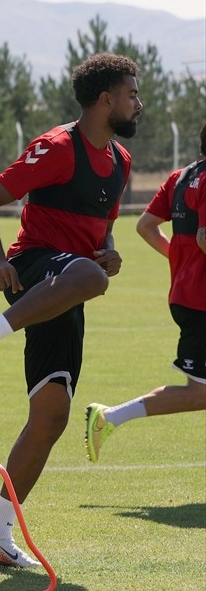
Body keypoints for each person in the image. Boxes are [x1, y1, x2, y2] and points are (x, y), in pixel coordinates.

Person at [0, 53, 142, 567]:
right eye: (131, 94)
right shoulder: (57, 146)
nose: (138, 104)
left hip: (68, 284)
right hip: (32, 267)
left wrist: (109, 251)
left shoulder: (120, 163)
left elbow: (102, 231)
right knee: (88, 276)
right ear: (106, 100)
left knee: (51, 417)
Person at [85, 122, 206, 461]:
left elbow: (145, 225)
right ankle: (110, 417)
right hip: (200, 301)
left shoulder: (181, 177)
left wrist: (179, 260)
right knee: (200, 394)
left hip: (187, 293)